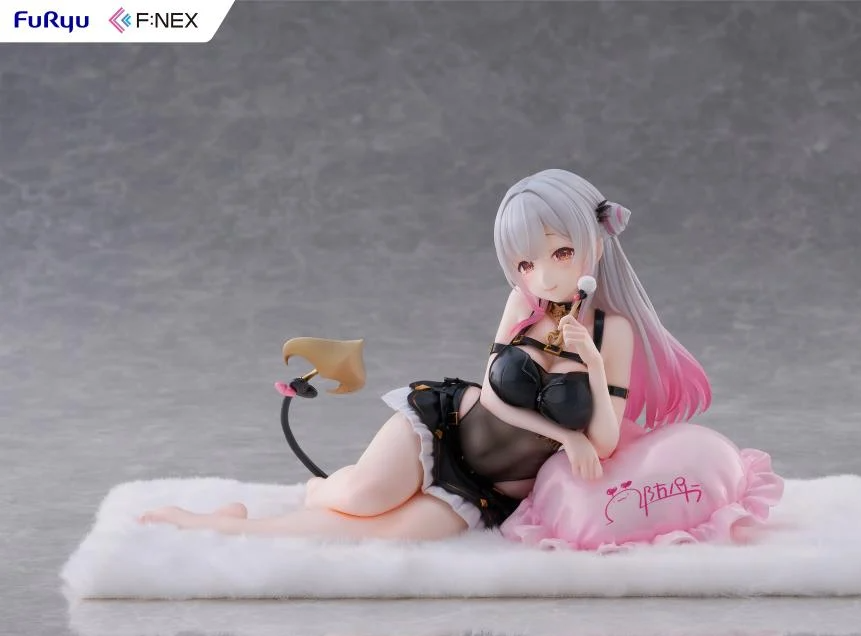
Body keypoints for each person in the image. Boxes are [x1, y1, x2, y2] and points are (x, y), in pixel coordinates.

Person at [138, 168, 712, 539]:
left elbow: (604, 442)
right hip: (447, 427)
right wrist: (565, 438)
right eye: (526, 263)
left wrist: (590, 363)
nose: (543, 275)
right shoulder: (522, 304)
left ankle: (238, 523)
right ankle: (267, 508)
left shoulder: (614, 333)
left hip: (493, 488)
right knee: (361, 497)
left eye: (561, 253)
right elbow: (493, 395)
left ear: (594, 244)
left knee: (376, 539)